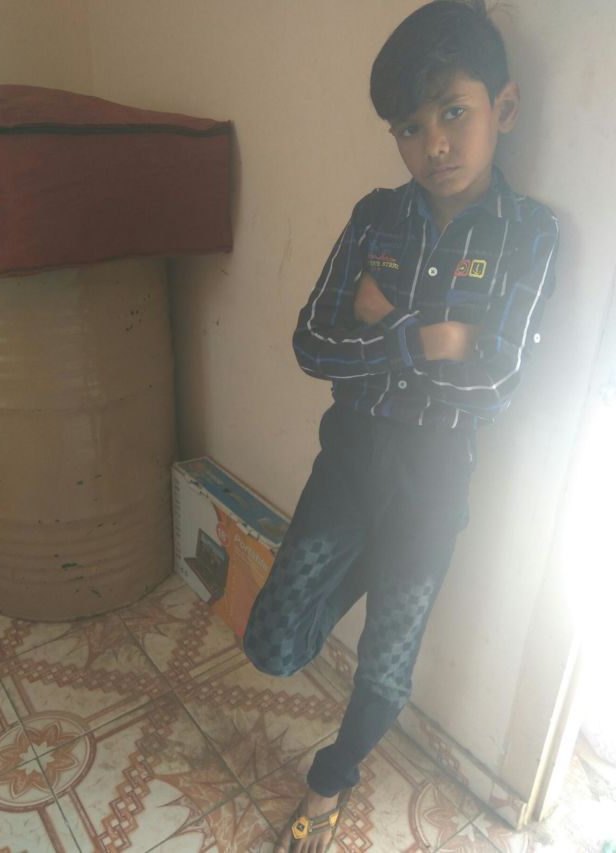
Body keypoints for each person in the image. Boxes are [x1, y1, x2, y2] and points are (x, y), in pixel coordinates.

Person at [244, 1, 559, 850]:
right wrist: (432, 337)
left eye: (454, 112)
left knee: (386, 666)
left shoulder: (529, 236)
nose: (435, 145)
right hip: (348, 463)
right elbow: (311, 344)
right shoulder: (376, 215)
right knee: (272, 642)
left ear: (504, 107)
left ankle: (330, 779)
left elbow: (493, 384)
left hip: (432, 489)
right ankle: (365, 563)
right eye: (410, 128)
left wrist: (383, 324)